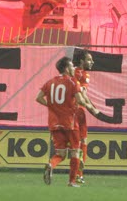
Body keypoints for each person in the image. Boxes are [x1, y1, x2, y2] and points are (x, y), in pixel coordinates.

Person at [35, 57, 98, 188]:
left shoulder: (50, 82)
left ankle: (51, 164)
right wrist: (91, 107)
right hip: (70, 122)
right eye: (70, 67)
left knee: (60, 153)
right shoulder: (72, 81)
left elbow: (38, 98)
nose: (73, 69)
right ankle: (72, 181)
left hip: (54, 123)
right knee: (75, 151)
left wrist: (52, 106)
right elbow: (80, 100)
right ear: (65, 68)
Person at [72, 50, 96, 183]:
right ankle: (78, 174)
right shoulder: (81, 74)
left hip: (72, 111)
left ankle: (78, 174)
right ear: (81, 61)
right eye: (89, 59)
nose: (92, 62)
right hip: (77, 111)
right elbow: (82, 94)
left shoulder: (77, 73)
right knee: (82, 143)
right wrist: (92, 108)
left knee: (77, 144)